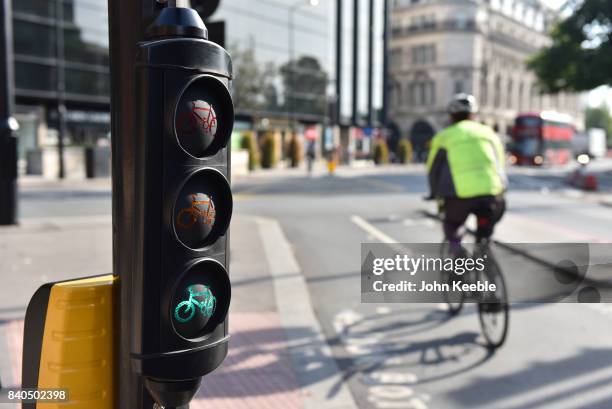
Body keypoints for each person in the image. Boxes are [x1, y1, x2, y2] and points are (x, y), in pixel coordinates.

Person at [426, 94, 507, 251]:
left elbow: (433, 169)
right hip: (491, 194)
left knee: (453, 227)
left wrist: (434, 193)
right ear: (474, 115)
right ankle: (485, 250)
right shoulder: (488, 133)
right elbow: (500, 164)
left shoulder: (444, 137)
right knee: (485, 232)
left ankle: (457, 256)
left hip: (458, 197)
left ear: (451, 117)